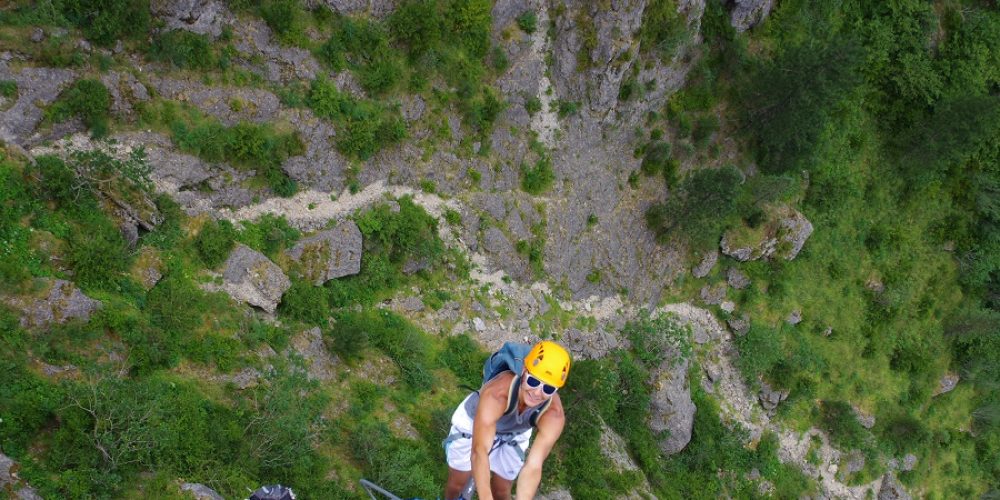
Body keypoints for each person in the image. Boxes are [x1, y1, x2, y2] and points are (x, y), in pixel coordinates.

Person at [443, 341, 571, 500]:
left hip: (515, 432)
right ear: (524, 371)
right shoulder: (497, 394)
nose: (537, 392)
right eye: (533, 381)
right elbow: (479, 451)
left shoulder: (553, 415)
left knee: (502, 492)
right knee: (457, 484)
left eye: (548, 388)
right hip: (475, 421)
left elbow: (533, 466)